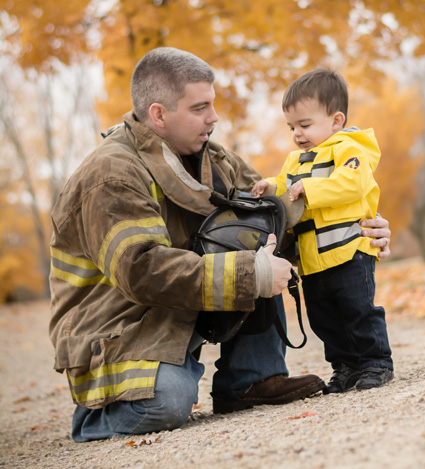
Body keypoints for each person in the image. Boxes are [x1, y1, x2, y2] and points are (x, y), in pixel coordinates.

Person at [49, 47, 392, 443]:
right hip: (120, 326)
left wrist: (356, 231)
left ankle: (251, 378)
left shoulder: (215, 159)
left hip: (178, 308)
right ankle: (92, 419)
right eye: (200, 108)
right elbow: (142, 271)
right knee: (168, 401)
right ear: (159, 114)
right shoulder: (110, 174)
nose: (214, 117)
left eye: (212, 105)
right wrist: (254, 273)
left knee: (254, 228)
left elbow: (280, 215)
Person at [252, 68, 393, 394]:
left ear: (336, 120)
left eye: (305, 125)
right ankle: (344, 366)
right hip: (314, 260)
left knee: (358, 310)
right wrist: (269, 186)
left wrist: (310, 189)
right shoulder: (296, 161)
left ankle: (375, 362)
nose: (297, 134)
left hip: (349, 251)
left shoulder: (348, 149)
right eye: (292, 127)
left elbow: (353, 183)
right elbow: (286, 188)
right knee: (324, 318)